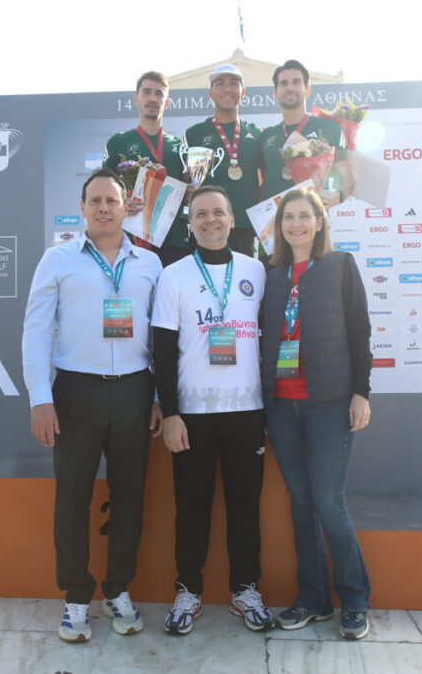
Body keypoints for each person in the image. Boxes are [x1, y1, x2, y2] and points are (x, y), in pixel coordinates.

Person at [22, 167, 164, 643]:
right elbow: (36, 332)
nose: (104, 208)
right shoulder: (57, 260)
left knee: (129, 497)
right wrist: (41, 399)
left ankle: (118, 590)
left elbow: (161, 337)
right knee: (72, 498)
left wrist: (158, 397)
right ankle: (76, 597)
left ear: (126, 208)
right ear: (82, 208)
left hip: (135, 392)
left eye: (112, 201)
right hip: (76, 393)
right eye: (95, 201)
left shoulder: (149, 264)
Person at [151, 185, 275, 635]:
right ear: (190, 224)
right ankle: (188, 591)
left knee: (245, 508)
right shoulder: (173, 275)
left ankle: (246, 590)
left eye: (218, 212)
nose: (210, 220)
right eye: (201, 214)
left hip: (248, 411)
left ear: (231, 219)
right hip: (193, 415)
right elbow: (163, 350)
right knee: (191, 509)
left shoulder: (256, 270)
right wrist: (171, 413)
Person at [257, 187, 373, 640]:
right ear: (279, 226)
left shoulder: (340, 266)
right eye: (289, 217)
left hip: (329, 404)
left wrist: (361, 393)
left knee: (329, 502)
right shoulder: (272, 276)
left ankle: (355, 600)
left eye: (305, 216)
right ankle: (313, 599)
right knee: (301, 503)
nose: (297, 224)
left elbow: (360, 332)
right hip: (281, 407)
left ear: (320, 221)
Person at [104, 71, 192, 265]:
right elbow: (103, 190)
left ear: (167, 103)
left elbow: (188, 196)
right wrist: (122, 203)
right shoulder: (119, 142)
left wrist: (191, 195)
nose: (153, 98)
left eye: (159, 93)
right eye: (147, 92)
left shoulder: (180, 146)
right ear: (136, 99)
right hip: (131, 241)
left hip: (174, 242)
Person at [182, 64, 264, 257]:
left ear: (243, 92)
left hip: (245, 228)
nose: (227, 89)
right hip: (207, 227)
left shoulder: (256, 133)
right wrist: (188, 191)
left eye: (234, 83)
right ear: (211, 93)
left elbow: (265, 180)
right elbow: (185, 181)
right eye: (220, 83)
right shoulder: (194, 134)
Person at [259, 60, 355, 207]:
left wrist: (336, 198)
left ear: (307, 90)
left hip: (314, 216)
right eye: (284, 83)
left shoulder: (329, 129)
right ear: (276, 94)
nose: (290, 88)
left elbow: (349, 181)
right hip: (276, 219)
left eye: (296, 82)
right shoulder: (265, 137)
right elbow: (262, 185)